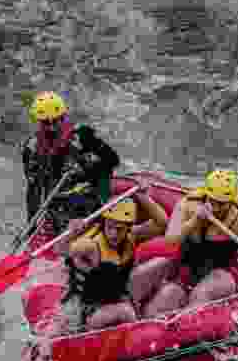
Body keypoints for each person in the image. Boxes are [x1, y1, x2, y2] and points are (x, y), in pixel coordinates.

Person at [54, 181, 168, 334]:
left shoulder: (132, 236)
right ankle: (135, 333)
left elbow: (161, 223)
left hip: (116, 295)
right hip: (87, 307)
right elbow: (61, 250)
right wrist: (71, 233)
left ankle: (138, 309)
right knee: (125, 313)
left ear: (128, 228)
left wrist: (143, 197)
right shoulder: (90, 245)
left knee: (162, 263)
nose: (113, 234)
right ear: (104, 222)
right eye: (110, 227)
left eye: (119, 229)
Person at [160, 170, 238, 307]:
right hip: (189, 267)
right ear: (206, 195)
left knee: (201, 294)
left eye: (222, 204)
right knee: (165, 297)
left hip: (224, 272)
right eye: (213, 201)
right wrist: (195, 220)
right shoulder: (187, 205)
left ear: (231, 201)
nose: (216, 208)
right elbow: (170, 240)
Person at [21, 91, 121, 243]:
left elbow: (113, 161)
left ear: (63, 117)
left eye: (57, 121)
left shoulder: (83, 137)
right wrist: (31, 225)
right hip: (58, 207)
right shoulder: (32, 148)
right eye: (46, 123)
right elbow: (33, 189)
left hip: (88, 202)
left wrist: (85, 167)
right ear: (39, 122)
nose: (53, 127)